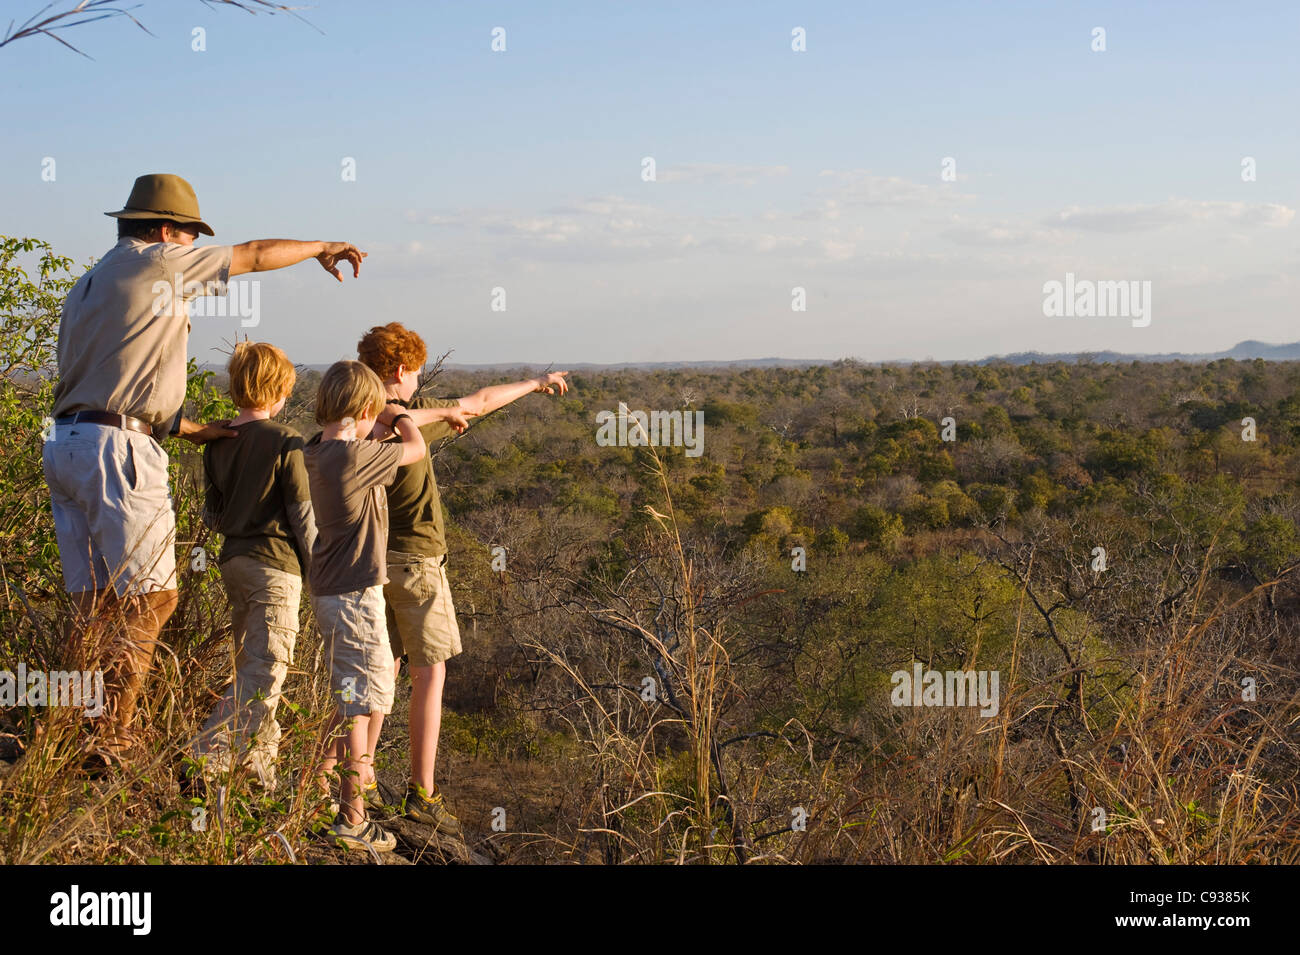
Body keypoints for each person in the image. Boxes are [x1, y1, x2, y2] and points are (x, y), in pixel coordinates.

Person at [43, 172, 366, 766]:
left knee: (94, 604)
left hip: (67, 443)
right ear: (168, 231)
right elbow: (252, 255)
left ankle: (62, 732)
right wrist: (323, 246)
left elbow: (107, 384)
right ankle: (112, 735)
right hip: (117, 453)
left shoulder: (90, 282)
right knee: (150, 599)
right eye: (190, 236)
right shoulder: (161, 263)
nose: (193, 248)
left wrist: (190, 427)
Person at [356, 321, 568, 834]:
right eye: (415, 373)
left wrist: (531, 383)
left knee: (377, 673)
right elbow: (476, 402)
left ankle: (356, 776)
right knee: (429, 674)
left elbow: (473, 402)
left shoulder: (353, 422)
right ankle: (422, 793)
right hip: (417, 561)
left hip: (367, 564)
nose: (416, 382)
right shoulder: (405, 422)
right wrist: (535, 383)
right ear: (401, 370)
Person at [304, 360, 468, 851]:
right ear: (363, 409)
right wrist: (400, 415)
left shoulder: (316, 450)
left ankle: (322, 797)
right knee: (361, 704)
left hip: (334, 590)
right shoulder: (356, 457)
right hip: (355, 596)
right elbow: (415, 449)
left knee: (358, 696)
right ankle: (353, 818)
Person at [193, 341, 315, 790]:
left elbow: (213, 515)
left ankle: (260, 765)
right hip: (275, 566)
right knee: (267, 666)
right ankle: (207, 755)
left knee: (252, 661)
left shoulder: (216, 443)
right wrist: (319, 571)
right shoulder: (286, 440)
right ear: (279, 390)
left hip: (234, 561)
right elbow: (303, 515)